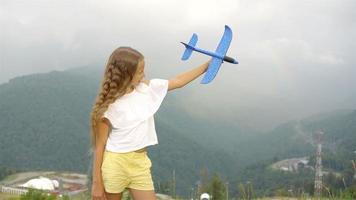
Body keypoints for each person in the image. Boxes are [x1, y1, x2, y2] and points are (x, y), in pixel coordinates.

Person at [90, 46, 210, 200]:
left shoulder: (146, 89)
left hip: (140, 163)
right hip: (115, 163)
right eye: (140, 71)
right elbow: (99, 145)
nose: (144, 74)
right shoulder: (108, 106)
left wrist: (208, 65)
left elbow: (178, 81)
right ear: (126, 74)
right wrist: (97, 183)